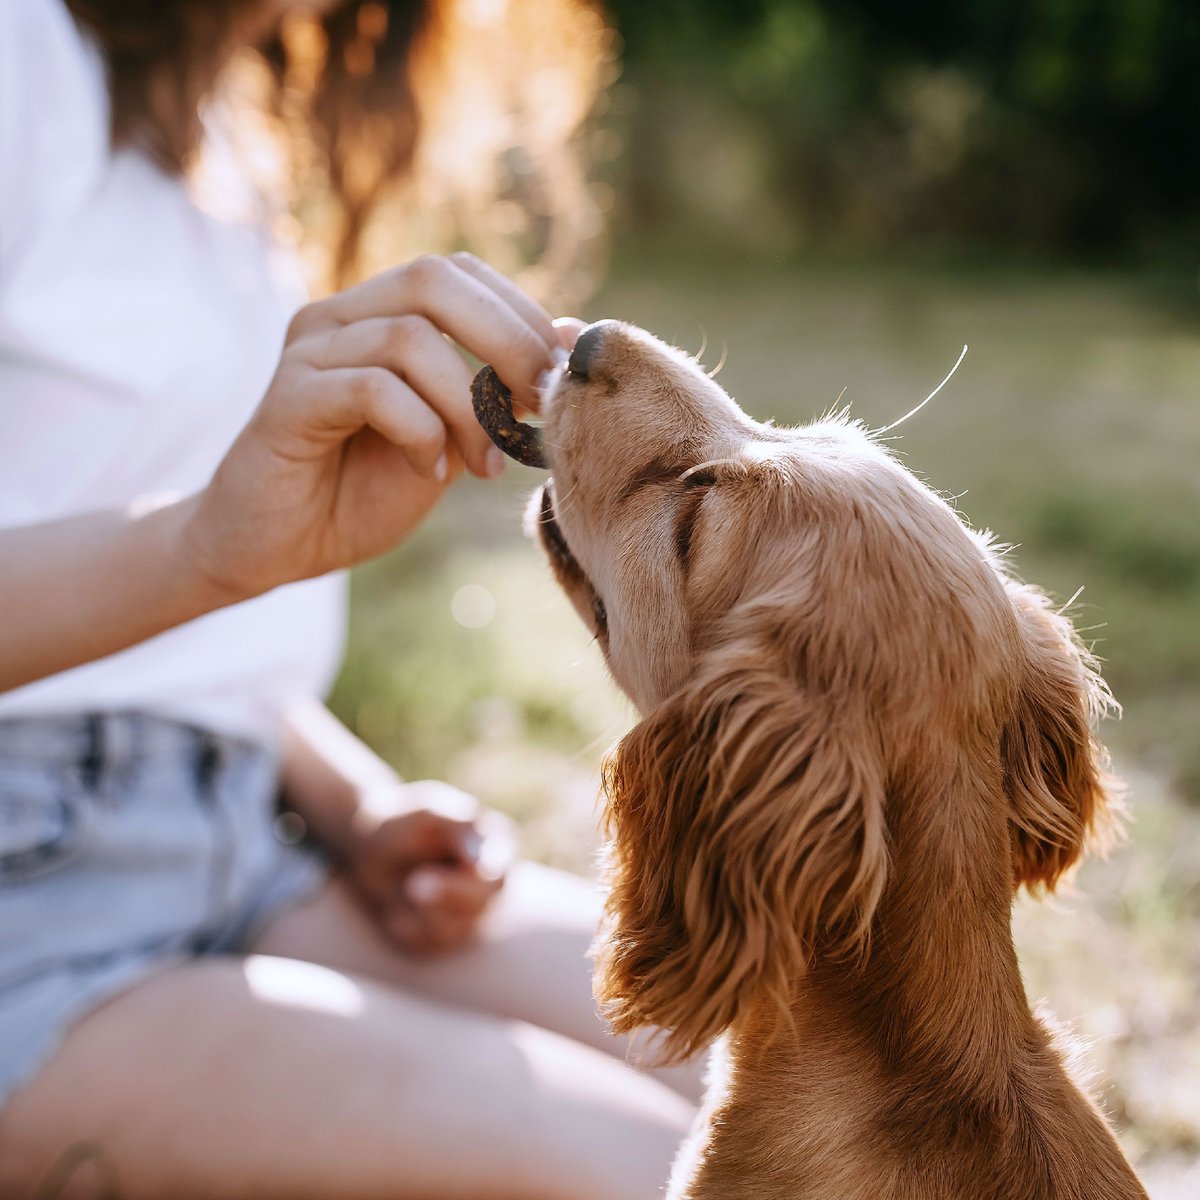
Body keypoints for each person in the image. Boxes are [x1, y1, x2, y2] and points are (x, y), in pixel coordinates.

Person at [0, 1, 698, 1196]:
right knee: (658, 1173)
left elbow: (151, 653)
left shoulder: (232, 130)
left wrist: (353, 805)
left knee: (832, 1079)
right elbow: (176, 561)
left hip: (240, 849)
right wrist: (207, 547)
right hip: (31, 912)